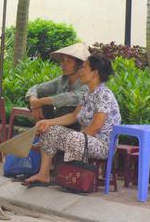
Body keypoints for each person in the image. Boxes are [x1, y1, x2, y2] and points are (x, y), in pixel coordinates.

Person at [24, 54, 121, 185]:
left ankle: (72, 179)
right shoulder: (87, 93)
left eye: (84, 68)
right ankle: (43, 174)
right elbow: (73, 116)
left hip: (102, 145)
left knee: (74, 138)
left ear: (94, 73)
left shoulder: (104, 95)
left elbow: (96, 126)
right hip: (85, 139)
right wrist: (47, 122)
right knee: (49, 130)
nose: (80, 71)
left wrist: (76, 138)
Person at [26, 43, 90, 127]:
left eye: (69, 61)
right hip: (57, 124)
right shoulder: (62, 79)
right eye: (63, 60)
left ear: (80, 65)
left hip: (79, 127)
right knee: (43, 103)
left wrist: (40, 102)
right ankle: (43, 133)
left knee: (64, 107)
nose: (63, 64)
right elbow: (36, 89)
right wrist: (34, 104)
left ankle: (46, 133)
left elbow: (67, 98)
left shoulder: (87, 83)